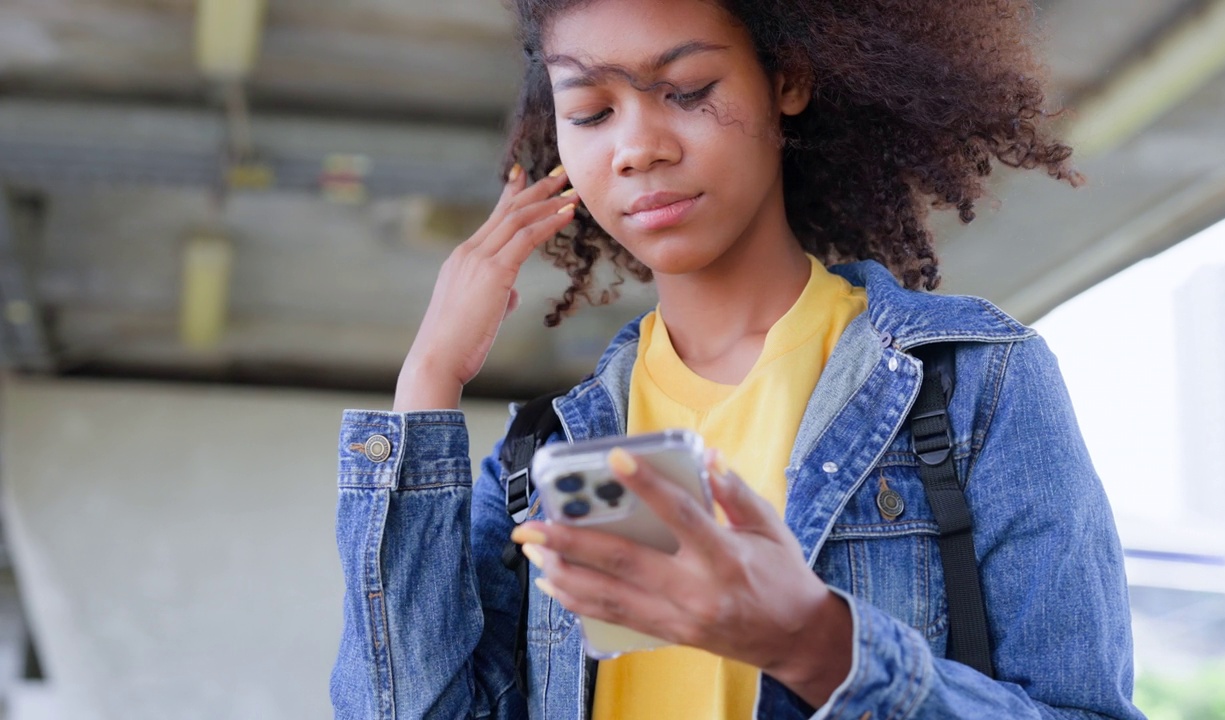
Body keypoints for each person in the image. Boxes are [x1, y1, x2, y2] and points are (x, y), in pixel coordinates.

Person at [331, 0, 1146, 717]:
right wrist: (428, 379)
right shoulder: (549, 456)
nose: (637, 148)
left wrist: (818, 647)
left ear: (785, 80)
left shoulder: (967, 383)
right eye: (590, 112)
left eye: (686, 92)